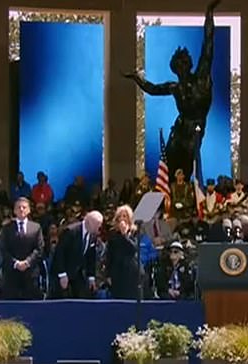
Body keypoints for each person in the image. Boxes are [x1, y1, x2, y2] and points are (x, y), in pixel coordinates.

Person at [123, 0, 221, 181]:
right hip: (180, 129)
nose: (181, 70)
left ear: (189, 65)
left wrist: (209, 12)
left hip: (195, 128)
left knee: (188, 164)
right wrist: (137, 78)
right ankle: (165, 196)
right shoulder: (174, 87)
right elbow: (152, 89)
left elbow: (208, 42)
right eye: (178, 67)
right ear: (175, 69)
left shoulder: (201, 76)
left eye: (183, 65)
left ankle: (186, 194)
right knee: (168, 163)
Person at [0, 197, 44, 300]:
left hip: (30, 272)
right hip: (12, 273)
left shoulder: (36, 227)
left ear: (29, 210)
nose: (21, 209)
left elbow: (39, 248)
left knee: (31, 304)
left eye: (24, 207)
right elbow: (4, 249)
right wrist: (16, 263)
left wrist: (27, 262)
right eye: (18, 207)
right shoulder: (7, 228)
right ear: (14, 210)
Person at [52, 211, 104, 298]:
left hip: (77, 272)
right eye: (97, 224)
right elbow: (59, 253)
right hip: (63, 271)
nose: (98, 227)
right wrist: (62, 275)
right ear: (89, 222)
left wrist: (91, 277)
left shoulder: (93, 235)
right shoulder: (70, 231)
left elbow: (91, 257)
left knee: (82, 296)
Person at [104, 205, 147, 299]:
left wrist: (125, 235)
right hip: (118, 273)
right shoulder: (113, 235)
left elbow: (133, 249)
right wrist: (108, 275)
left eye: (125, 216)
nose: (122, 219)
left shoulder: (135, 232)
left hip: (132, 272)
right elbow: (109, 255)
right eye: (120, 216)